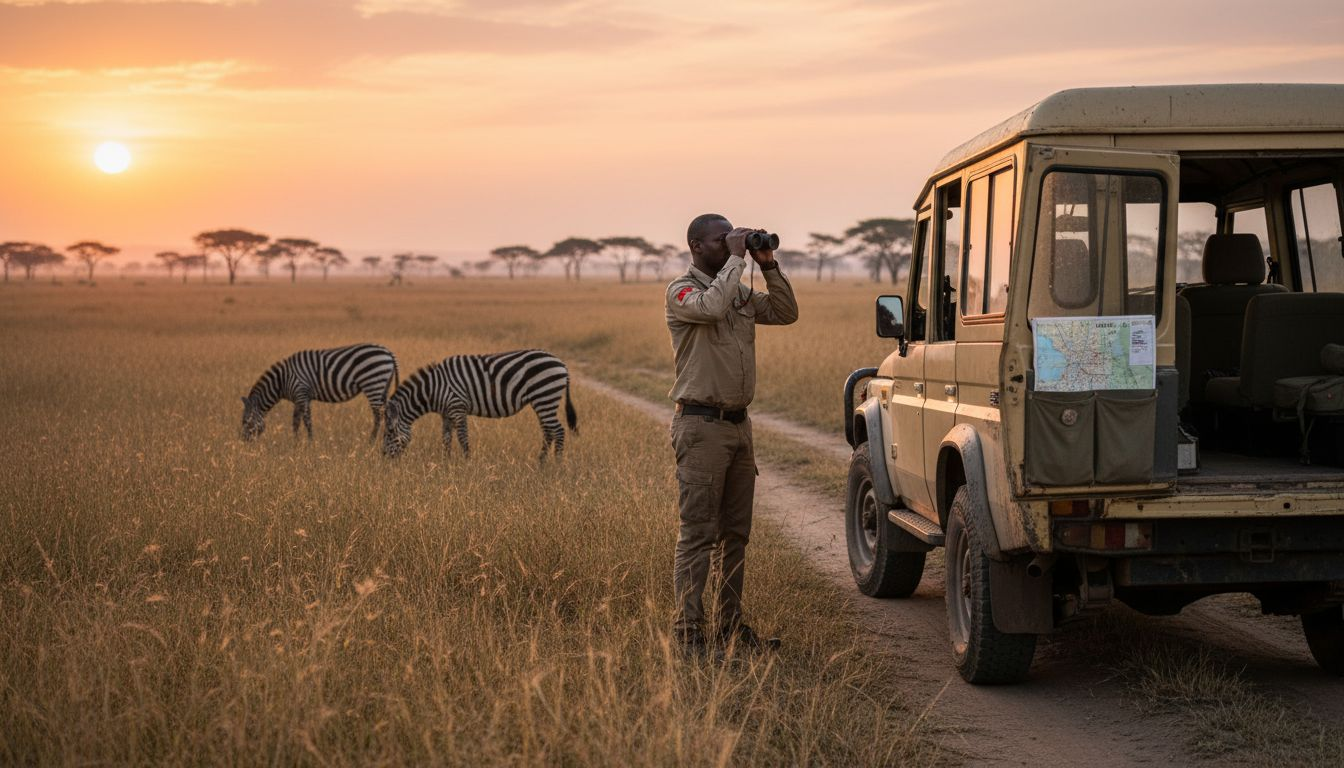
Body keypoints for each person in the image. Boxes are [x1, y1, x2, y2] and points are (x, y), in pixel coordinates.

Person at [664, 213, 799, 657]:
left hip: (739, 427)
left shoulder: (736, 287)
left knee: (735, 535)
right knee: (698, 534)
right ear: (697, 246)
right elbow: (711, 307)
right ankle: (687, 634)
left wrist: (768, 263)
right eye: (721, 239)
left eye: (733, 236)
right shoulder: (682, 291)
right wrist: (738, 261)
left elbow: (784, 312)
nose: (731, 242)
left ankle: (729, 627)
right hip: (701, 428)